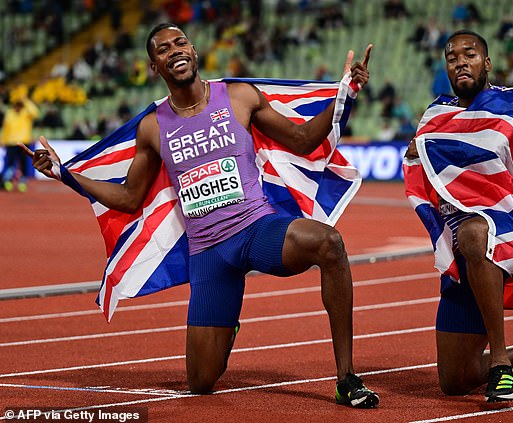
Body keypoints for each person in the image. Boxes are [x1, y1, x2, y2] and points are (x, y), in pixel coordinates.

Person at [23, 23, 379, 408]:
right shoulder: (153, 127)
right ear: (154, 67)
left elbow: (303, 140)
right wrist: (67, 175)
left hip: (257, 229)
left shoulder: (239, 96)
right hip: (209, 254)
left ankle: (346, 378)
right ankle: (228, 326)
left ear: (193, 51)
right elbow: (128, 198)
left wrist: (347, 92)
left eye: (179, 43)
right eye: (163, 49)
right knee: (201, 383)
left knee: (329, 243)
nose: (174, 50)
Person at [404, 30, 513, 402]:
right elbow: (418, 160)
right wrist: (429, 145)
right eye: (452, 57)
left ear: (487, 63)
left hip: (502, 228)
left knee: (475, 233)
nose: (460, 61)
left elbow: (488, 149)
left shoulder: (511, 102)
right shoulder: (435, 111)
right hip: (459, 245)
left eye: (470, 54)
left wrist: (432, 144)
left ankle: (499, 361)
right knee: (453, 382)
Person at [2, 95, 39, 192]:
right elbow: (6, 128)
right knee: (10, 164)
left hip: (24, 142)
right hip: (11, 142)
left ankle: (22, 182)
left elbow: (35, 112)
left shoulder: (26, 113)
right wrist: (3, 140)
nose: (17, 107)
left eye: (19, 105)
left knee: (23, 164)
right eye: (16, 105)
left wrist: (26, 100)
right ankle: (8, 182)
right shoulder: (9, 113)